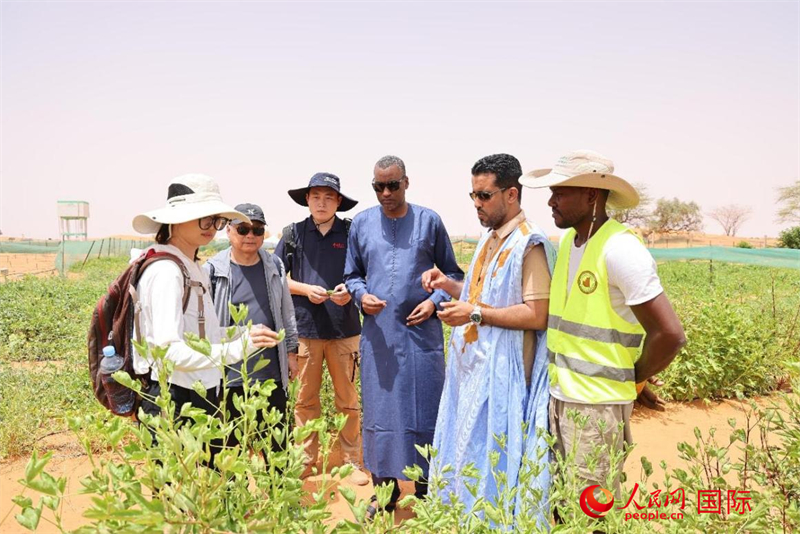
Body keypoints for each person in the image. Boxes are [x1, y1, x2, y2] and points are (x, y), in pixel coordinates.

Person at [520, 150, 686, 505]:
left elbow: (670, 334)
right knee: (564, 503)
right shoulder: (569, 243)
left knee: (592, 509)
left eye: (561, 192)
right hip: (562, 398)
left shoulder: (621, 249)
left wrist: (633, 377)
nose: (551, 201)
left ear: (592, 195)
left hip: (596, 409)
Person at [422, 154, 554, 524]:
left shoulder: (531, 244)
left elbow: (535, 314)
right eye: (473, 195)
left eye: (485, 196)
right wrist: (451, 286)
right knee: (468, 459)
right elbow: (488, 292)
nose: (477, 204)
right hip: (474, 370)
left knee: (496, 467)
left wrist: (474, 313)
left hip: (503, 378)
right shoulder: (489, 238)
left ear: (511, 194)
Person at [130, 174, 279, 466]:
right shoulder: (166, 272)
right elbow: (169, 350)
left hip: (195, 390)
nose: (212, 228)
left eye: (216, 221)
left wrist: (240, 333)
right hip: (171, 396)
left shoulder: (189, 266)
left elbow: (201, 334)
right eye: (204, 220)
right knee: (176, 491)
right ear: (175, 220)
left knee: (210, 482)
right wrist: (236, 350)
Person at [344, 155, 464, 517]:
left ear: (406, 183)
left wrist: (434, 302)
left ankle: (428, 493)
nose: (385, 192)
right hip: (380, 338)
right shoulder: (361, 224)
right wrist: (361, 296)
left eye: (392, 185)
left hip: (420, 337)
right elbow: (352, 275)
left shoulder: (429, 222)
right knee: (381, 415)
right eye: (378, 186)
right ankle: (386, 493)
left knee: (424, 410)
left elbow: (453, 274)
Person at [274, 173, 369, 485]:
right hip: (305, 331)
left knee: (348, 400)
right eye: (316, 196)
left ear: (338, 202)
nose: (322, 202)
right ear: (307, 199)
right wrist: (304, 289)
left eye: (329, 197)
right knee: (305, 401)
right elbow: (277, 278)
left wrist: (352, 290)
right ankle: (304, 461)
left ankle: (353, 462)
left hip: (346, 331)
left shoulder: (353, 232)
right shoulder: (293, 234)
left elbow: (370, 274)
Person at [204, 203, 299, 459]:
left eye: (257, 230)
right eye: (243, 229)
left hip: (271, 372)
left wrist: (291, 352)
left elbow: (286, 312)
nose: (250, 236)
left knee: (277, 443)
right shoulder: (213, 271)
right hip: (230, 375)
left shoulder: (275, 266)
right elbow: (206, 327)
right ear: (228, 231)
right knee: (230, 446)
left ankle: (279, 495)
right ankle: (233, 497)